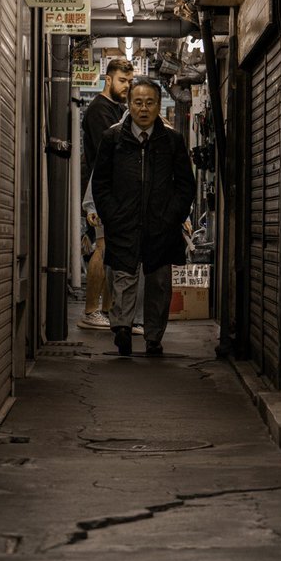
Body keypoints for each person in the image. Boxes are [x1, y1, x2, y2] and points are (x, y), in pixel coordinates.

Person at [92, 76, 195, 357]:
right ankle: (122, 328)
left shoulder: (172, 140)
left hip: (161, 226)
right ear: (129, 104)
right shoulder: (112, 138)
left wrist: (172, 216)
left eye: (150, 102)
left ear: (159, 105)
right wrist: (111, 215)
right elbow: (100, 183)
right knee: (123, 277)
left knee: (159, 283)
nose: (144, 108)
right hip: (123, 223)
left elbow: (186, 185)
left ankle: (153, 337)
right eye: (138, 102)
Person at [77, 57, 133, 328]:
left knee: (112, 249)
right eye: (123, 81)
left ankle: (109, 310)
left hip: (112, 190)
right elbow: (110, 150)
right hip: (99, 191)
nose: (127, 86)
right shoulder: (100, 109)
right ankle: (90, 311)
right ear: (108, 79)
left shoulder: (115, 109)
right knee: (102, 247)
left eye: (130, 81)